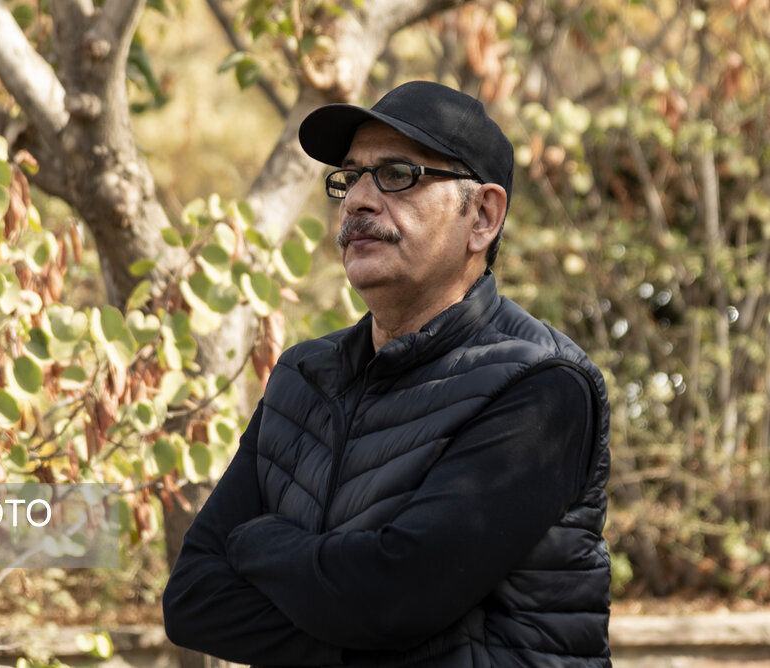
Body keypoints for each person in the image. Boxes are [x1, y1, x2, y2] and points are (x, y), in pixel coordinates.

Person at [163, 80, 611, 667]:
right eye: (350, 177)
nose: (357, 200)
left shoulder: (540, 385)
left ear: (483, 216)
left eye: (397, 174)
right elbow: (192, 600)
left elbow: (392, 600)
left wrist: (255, 541)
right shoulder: (302, 377)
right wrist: (372, 627)